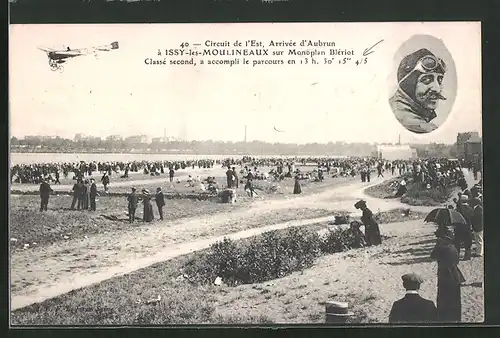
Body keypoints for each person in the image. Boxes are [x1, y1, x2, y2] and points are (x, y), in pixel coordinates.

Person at [389, 48, 447, 134]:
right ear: (408, 85)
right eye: (426, 80)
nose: (437, 89)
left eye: (439, 80)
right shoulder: (423, 129)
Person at [430, 227, 465, 322]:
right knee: (455, 300)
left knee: (443, 299)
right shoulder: (453, 247)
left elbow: (432, 256)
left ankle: (444, 318)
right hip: (455, 276)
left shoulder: (441, 248)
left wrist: (437, 244)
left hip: (445, 276)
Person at [455, 195, 473, 260]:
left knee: (457, 243)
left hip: (459, 227)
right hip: (467, 228)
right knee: (468, 243)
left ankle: (456, 256)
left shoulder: (458, 210)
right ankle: (467, 256)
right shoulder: (471, 209)